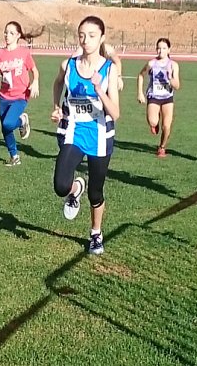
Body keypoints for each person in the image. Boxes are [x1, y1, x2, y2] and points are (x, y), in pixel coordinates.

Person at [51, 16, 120, 255]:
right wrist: (56, 106)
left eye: (91, 36)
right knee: (60, 185)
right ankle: (73, 189)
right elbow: (58, 83)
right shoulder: (68, 65)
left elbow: (116, 112)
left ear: (101, 38)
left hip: (100, 136)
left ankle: (95, 233)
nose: (86, 40)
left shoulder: (108, 69)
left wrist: (99, 88)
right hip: (74, 132)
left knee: (96, 193)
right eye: (82, 35)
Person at [0, 21, 39, 166]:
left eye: (11, 33)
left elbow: (34, 70)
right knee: (5, 128)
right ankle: (14, 156)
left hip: (21, 94)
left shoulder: (24, 53)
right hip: (4, 95)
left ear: (18, 35)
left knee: (9, 123)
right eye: (6, 32)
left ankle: (22, 121)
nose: (7, 35)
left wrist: (35, 81)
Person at [136, 38, 180, 157]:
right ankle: (155, 122)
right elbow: (141, 75)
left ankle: (162, 147)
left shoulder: (173, 65)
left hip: (167, 98)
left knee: (166, 126)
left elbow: (177, 86)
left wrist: (170, 77)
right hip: (154, 96)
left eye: (164, 48)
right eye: (159, 48)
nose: (161, 51)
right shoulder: (151, 63)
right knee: (153, 121)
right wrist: (140, 93)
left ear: (169, 50)